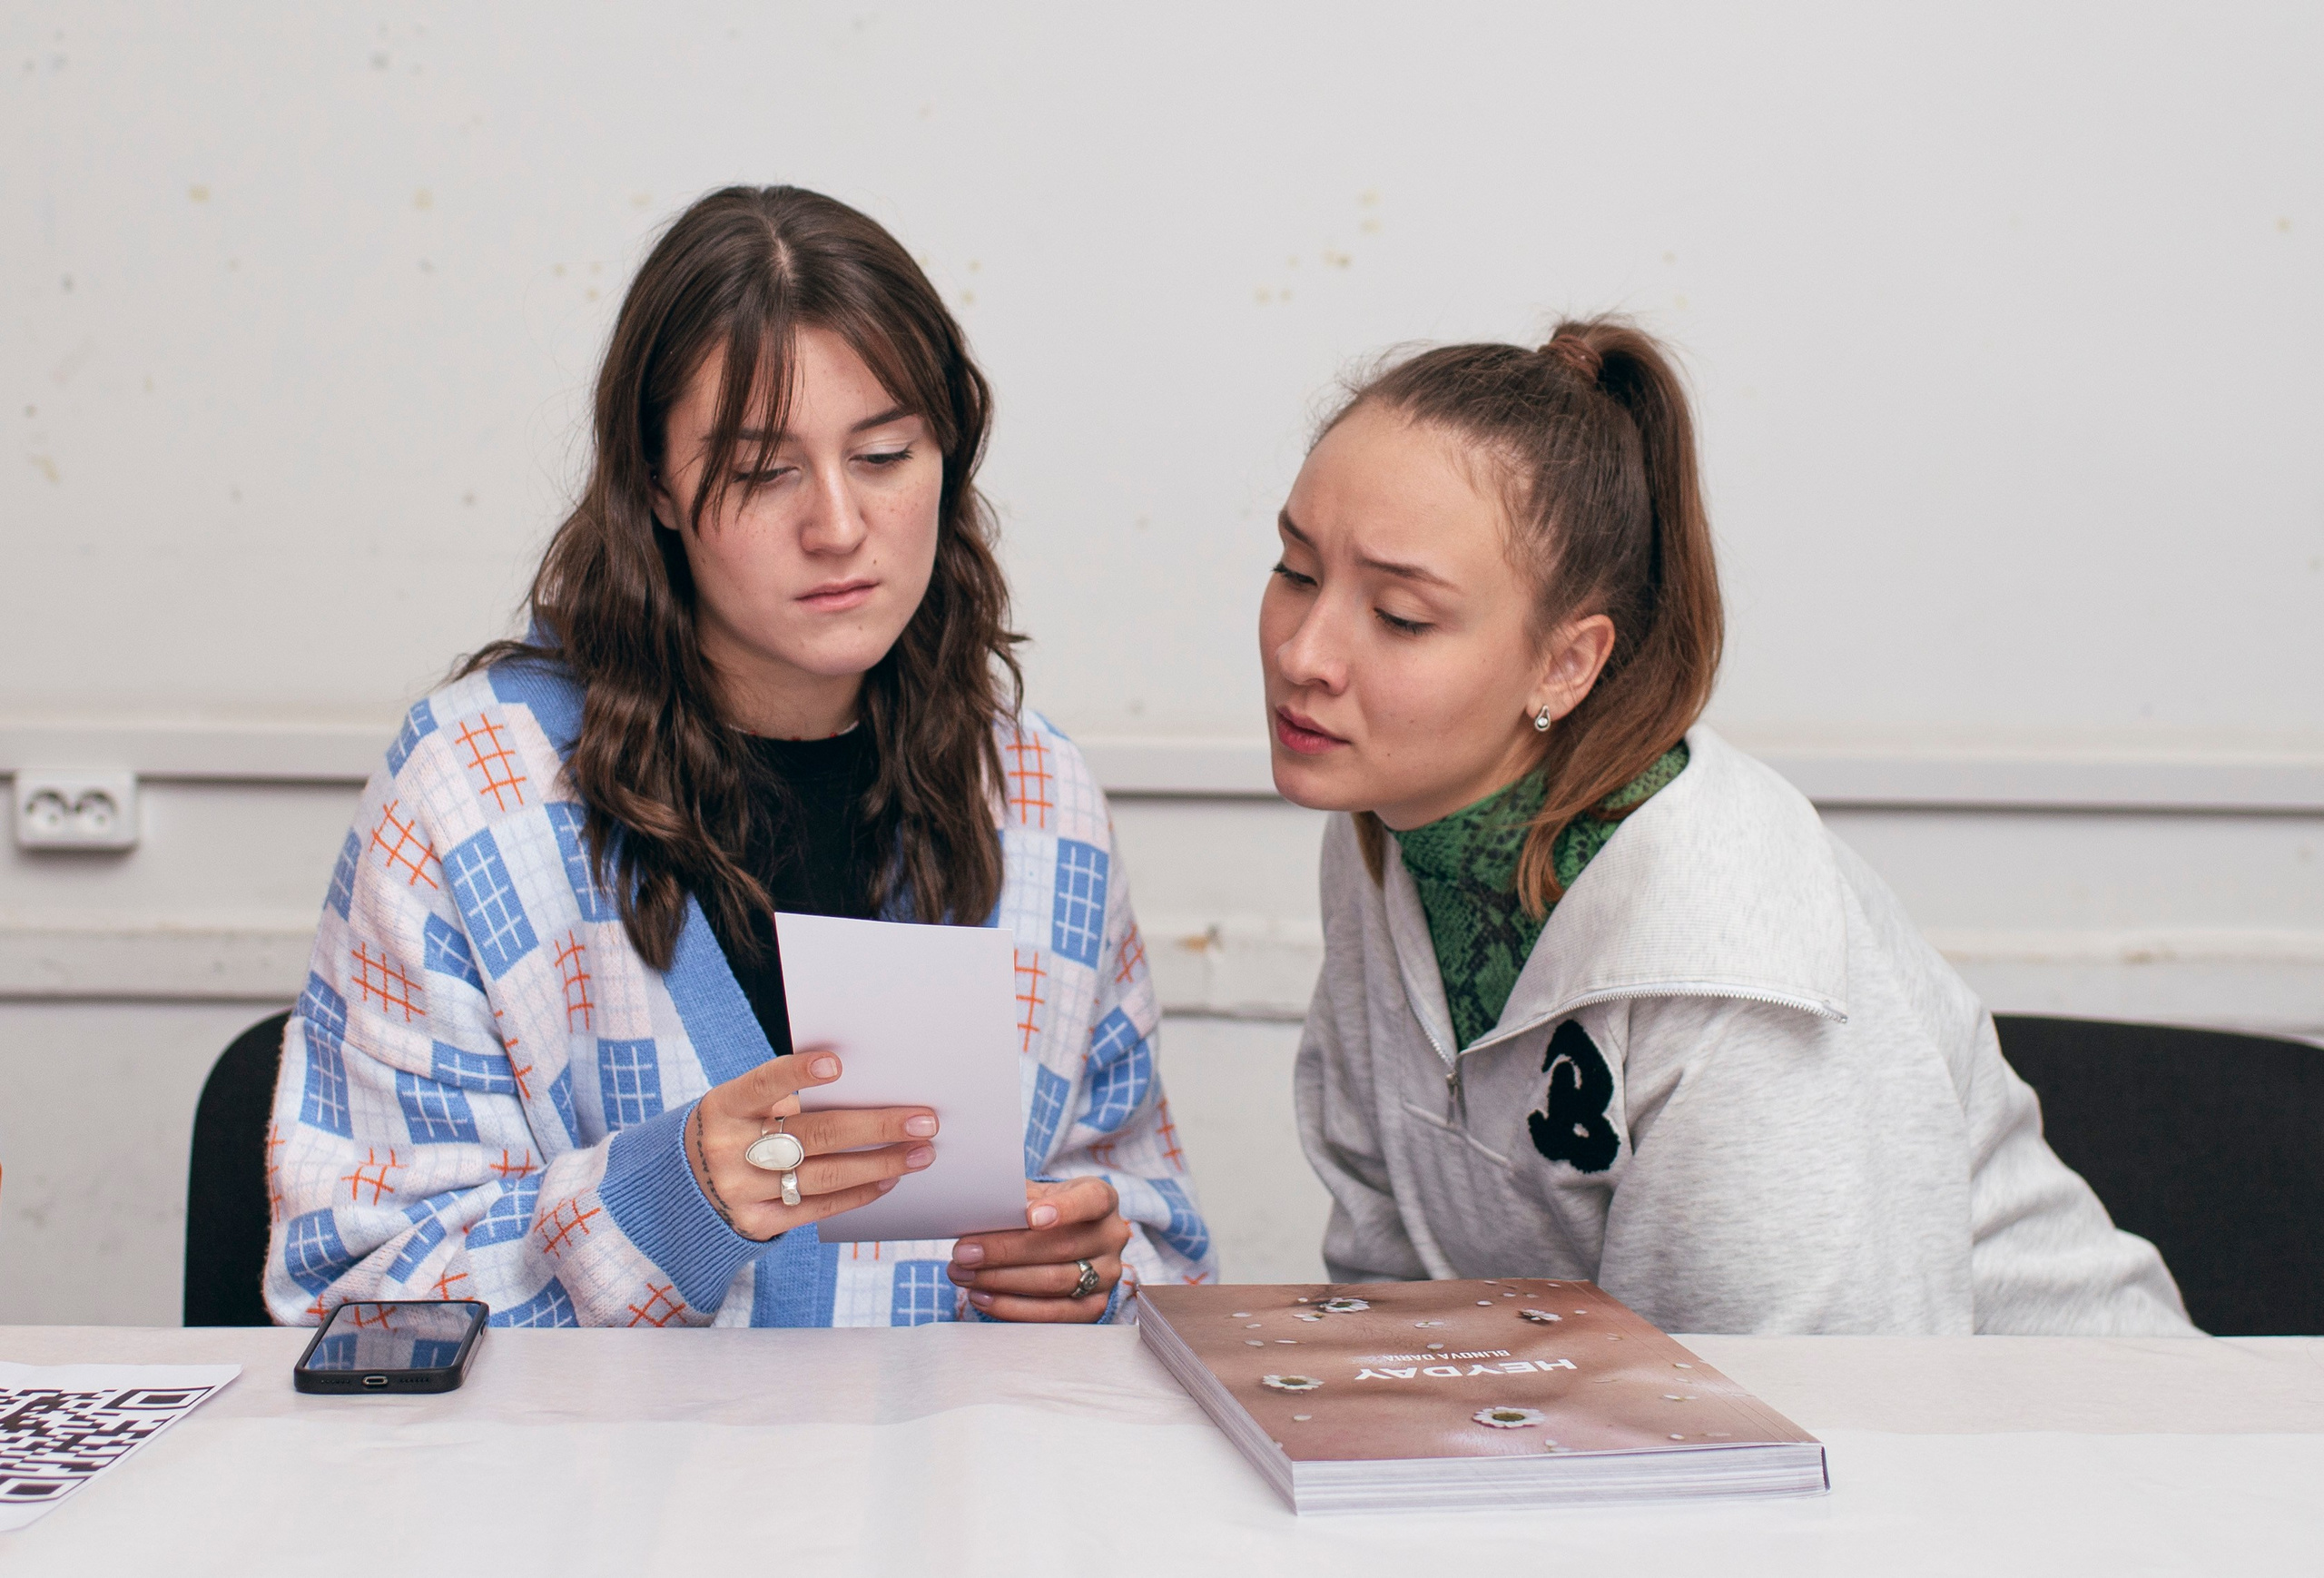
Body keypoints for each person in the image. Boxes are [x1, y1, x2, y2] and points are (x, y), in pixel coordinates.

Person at [264, 186, 1213, 1328]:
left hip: (958, 1497)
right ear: (655, 483)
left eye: (883, 453)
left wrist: (1090, 1274)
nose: (838, 527)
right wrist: (669, 1200)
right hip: (588, 1504)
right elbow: (353, 1289)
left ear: (947, 457)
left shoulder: (1038, 797)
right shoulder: (475, 790)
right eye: (764, 472)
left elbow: (1158, 1240)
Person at [1265, 318, 2192, 1335]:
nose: (1305, 652)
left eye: (1400, 615)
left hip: (2044, 1464)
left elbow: (1825, 1418)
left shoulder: (1729, 956)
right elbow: (1393, 1300)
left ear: (1564, 665)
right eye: (1297, 571)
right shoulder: (1389, 814)